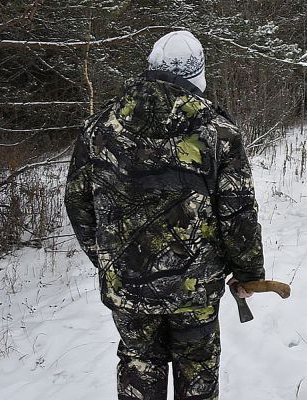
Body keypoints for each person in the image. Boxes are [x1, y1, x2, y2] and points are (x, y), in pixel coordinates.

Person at [64, 30, 265, 400]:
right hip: (196, 288)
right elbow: (238, 212)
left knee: (140, 364)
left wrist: (110, 258)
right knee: (198, 366)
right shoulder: (219, 132)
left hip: (128, 286)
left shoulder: (98, 128)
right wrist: (248, 272)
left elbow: (78, 203)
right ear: (198, 74)